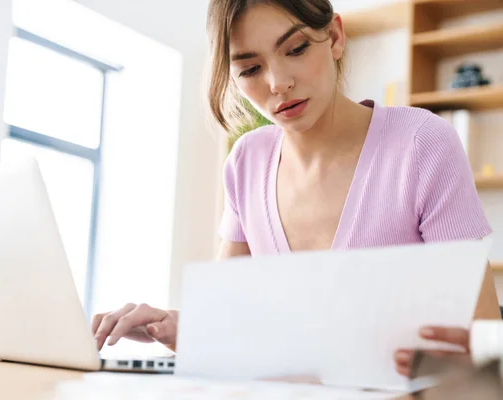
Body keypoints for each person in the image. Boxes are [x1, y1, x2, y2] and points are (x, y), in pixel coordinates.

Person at [91, 0, 502, 377]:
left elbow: (484, 346)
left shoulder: (421, 143)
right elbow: (226, 322)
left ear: (335, 38)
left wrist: (456, 365)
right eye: (250, 69)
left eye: (297, 48)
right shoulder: (246, 161)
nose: (278, 82)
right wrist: (175, 326)